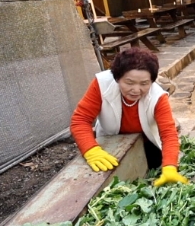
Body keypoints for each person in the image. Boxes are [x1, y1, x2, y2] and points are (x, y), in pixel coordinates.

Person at [70, 47, 188, 187]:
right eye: (129, 82)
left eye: (144, 83)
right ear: (117, 78)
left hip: (147, 143)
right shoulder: (102, 84)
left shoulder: (158, 97)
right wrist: (91, 150)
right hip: (110, 141)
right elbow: (80, 120)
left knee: (150, 177)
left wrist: (170, 166)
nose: (136, 90)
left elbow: (168, 133)